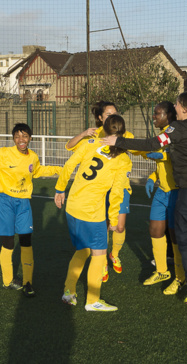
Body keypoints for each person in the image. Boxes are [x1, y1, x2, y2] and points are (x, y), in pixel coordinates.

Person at [102, 92, 187, 303]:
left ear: (184, 108)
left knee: (184, 236)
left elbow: (152, 144)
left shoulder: (178, 128)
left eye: (176, 104)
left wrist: (118, 140)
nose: (174, 108)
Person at [0, 123, 62, 297]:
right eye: (17, 136)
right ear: (13, 139)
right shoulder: (5, 154)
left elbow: (38, 170)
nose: (21, 140)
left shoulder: (33, 157)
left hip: (23, 203)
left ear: (30, 138)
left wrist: (60, 169)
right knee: (8, 242)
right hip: (4, 202)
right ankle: (8, 281)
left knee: (26, 241)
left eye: (24, 136)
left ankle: (28, 282)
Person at [55, 115, 132, 312]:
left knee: (82, 250)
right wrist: (113, 219)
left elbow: (69, 165)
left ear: (103, 130)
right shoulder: (123, 158)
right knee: (99, 254)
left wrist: (59, 188)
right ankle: (92, 301)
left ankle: (68, 292)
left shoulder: (90, 143)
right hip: (91, 211)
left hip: (72, 206)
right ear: (122, 134)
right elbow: (116, 193)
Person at [65, 101, 137, 281]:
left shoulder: (125, 133)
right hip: (98, 190)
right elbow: (69, 146)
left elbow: (140, 149)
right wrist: (83, 133)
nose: (113, 116)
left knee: (119, 226)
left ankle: (115, 253)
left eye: (116, 112)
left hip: (120, 186)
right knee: (102, 225)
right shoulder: (95, 134)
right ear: (100, 118)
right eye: (108, 114)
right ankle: (102, 260)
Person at [141, 101, 185, 293]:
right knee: (155, 230)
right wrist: (153, 177)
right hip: (162, 191)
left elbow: (179, 158)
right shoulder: (161, 136)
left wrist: (163, 156)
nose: (154, 117)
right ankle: (161, 270)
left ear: (168, 116)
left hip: (176, 191)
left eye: (157, 114)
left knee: (175, 236)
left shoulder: (175, 134)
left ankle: (181, 277)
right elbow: (161, 166)